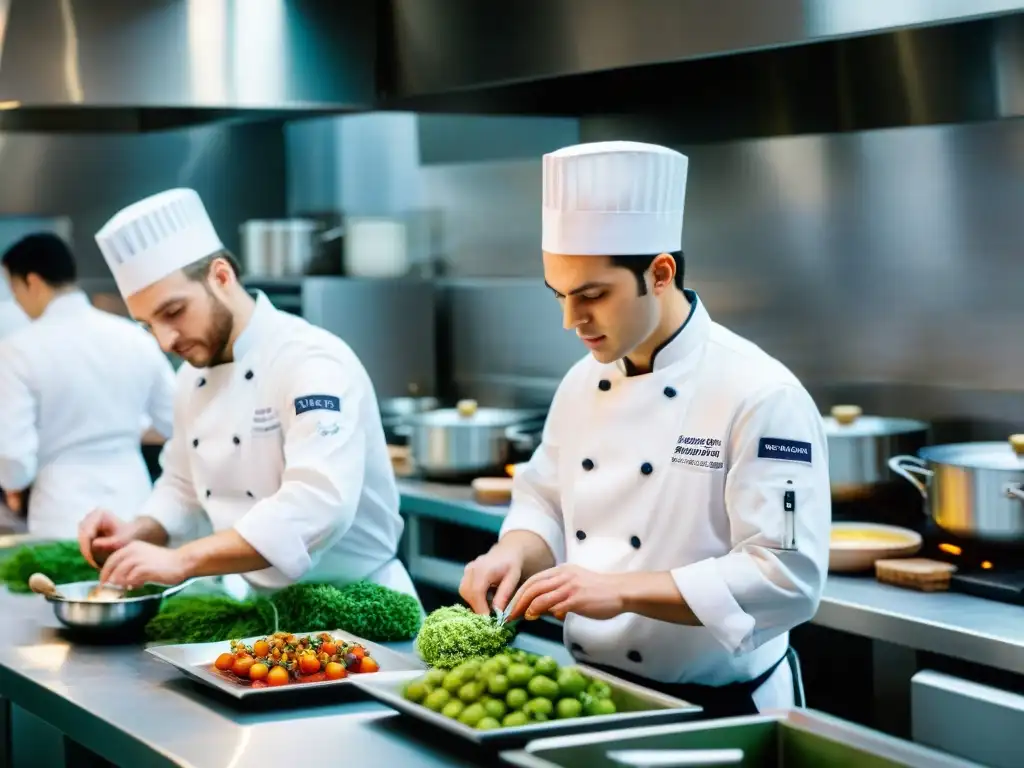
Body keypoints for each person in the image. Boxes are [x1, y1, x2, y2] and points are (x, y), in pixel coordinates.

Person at [459, 141, 831, 716]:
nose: (571, 321)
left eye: (593, 296)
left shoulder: (761, 394)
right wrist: (516, 550)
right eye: (559, 296)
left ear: (660, 273)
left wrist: (621, 590)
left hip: (722, 710)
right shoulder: (582, 383)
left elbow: (786, 576)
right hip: (591, 698)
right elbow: (546, 502)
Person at [77, 188, 416, 600]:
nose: (165, 340)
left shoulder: (310, 361)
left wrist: (183, 559)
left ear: (221, 276)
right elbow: (183, 484)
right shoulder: (190, 377)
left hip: (360, 604)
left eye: (172, 312)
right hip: (264, 610)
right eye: (148, 325)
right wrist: (138, 530)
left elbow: (316, 503)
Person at [0, 233, 176, 537]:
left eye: (14, 289)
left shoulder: (18, 349)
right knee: (136, 581)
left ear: (32, 282)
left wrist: (14, 488)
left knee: (63, 586)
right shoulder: (134, 337)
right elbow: (177, 420)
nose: (16, 301)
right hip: (135, 505)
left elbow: (15, 462)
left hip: (61, 512)